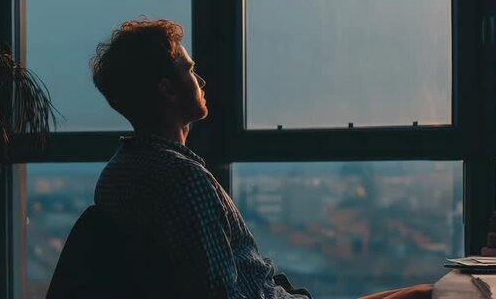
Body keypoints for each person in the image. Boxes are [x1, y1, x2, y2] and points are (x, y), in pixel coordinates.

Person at [90, 18, 431, 299]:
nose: (201, 80)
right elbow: (216, 294)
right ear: (168, 90)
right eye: (190, 71)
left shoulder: (117, 173)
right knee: (432, 295)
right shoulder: (183, 178)